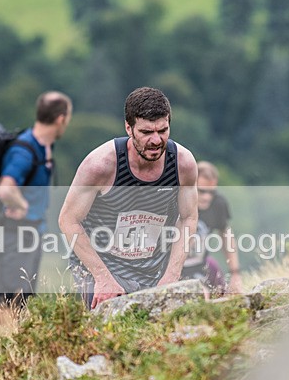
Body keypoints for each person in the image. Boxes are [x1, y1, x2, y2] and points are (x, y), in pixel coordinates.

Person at [58, 87, 198, 309]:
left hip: (154, 269)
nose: (156, 140)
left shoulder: (183, 164)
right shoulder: (100, 165)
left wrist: (172, 275)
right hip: (102, 266)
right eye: (146, 132)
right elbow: (68, 220)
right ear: (128, 128)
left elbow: (188, 218)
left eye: (162, 130)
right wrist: (102, 278)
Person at [0, 90, 73, 309]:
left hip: (29, 235)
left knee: (20, 302)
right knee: (7, 303)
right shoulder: (24, 151)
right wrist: (22, 205)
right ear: (61, 119)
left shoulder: (43, 146)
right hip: (15, 235)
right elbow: (5, 189)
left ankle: (6, 341)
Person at [181, 161, 243, 295]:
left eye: (211, 192)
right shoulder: (178, 200)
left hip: (201, 265)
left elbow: (226, 234)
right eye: (201, 191)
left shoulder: (218, 203)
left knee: (229, 295)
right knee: (203, 295)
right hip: (176, 268)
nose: (207, 197)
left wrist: (235, 273)